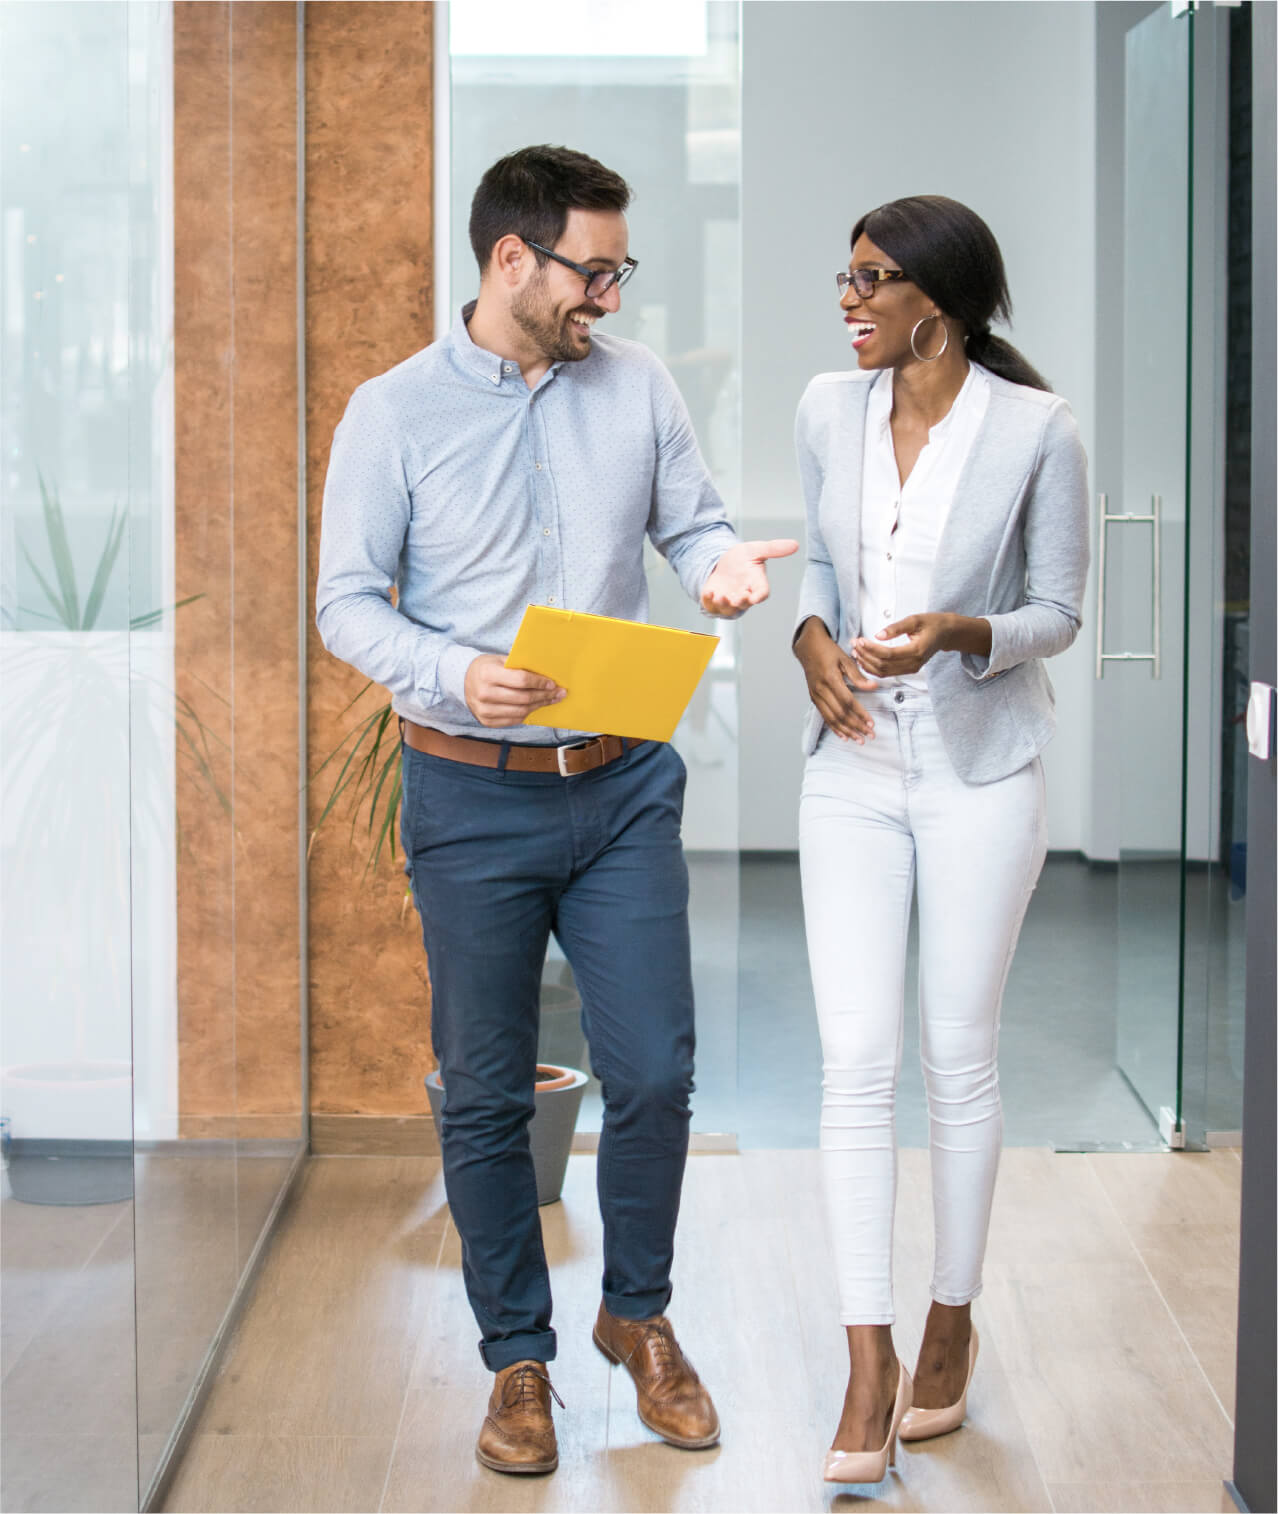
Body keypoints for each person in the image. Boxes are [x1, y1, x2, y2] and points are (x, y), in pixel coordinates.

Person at [316, 144, 795, 1477]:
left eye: (621, 270)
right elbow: (344, 602)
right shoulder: (392, 412)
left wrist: (719, 567)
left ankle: (635, 1316)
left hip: (623, 784)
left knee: (651, 1071)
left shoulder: (636, 387)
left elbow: (691, 526)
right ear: (511, 259)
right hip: (468, 791)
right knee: (483, 1090)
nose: (612, 297)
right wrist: (452, 669)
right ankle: (515, 1359)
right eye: (595, 270)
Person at [791, 195, 1089, 1484]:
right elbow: (821, 568)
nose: (849, 299)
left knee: (956, 1056)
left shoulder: (1036, 429)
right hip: (852, 767)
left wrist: (962, 633)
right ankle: (868, 1360)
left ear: (940, 309)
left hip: (981, 770)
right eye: (847, 277)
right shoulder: (828, 410)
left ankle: (951, 1319)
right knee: (854, 1060)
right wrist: (809, 637)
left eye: (873, 280)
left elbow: (1059, 611)